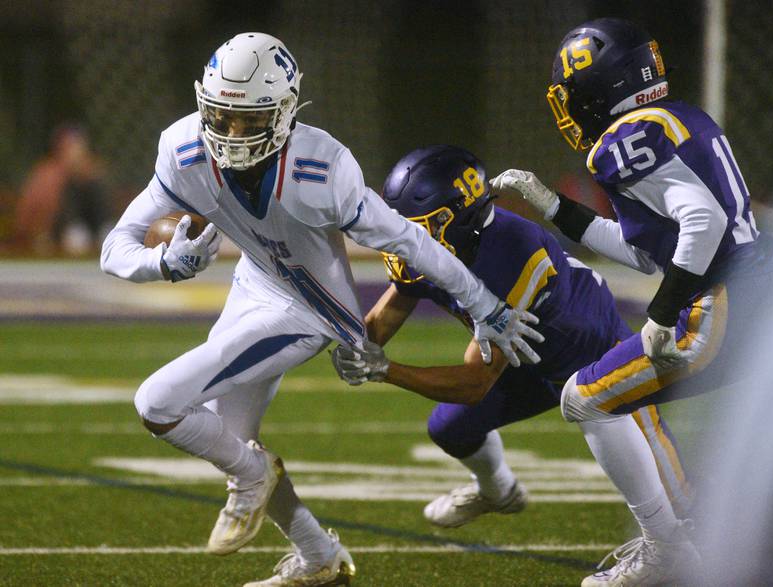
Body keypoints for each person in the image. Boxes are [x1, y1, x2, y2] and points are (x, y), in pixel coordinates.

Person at [100, 33, 537, 587]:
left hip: (308, 310)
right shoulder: (184, 148)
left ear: (283, 112)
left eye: (248, 120)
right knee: (236, 443)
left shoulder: (321, 169)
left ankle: (254, 476)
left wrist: (484, 304)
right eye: (221, 115)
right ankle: (318, 558)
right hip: (253, 285)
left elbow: (411, 242)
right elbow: (116, 249)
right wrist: (164, 264)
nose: (231, 134)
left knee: (158, 404)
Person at [490, 17, 773, 586]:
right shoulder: (676, 118)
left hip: (722, 302)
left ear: (599, 89)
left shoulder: (623, 140)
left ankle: (669, 549)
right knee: (642, 406)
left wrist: (661, 314)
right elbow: (645, 252)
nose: (569, 109)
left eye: (574, 95)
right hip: (764, 290)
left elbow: (701, 221)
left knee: (586, 399)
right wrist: (552, 205)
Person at [330, 144, 692, 530]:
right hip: (525, 358)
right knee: (451, 429)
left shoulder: (515, 254)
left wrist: (385, 369)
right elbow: (394, 306)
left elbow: (473, 383)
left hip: (594, 356)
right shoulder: (444, 244)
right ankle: (497, 490)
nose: (408, 239)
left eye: (422, 226)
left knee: (678, 500)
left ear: (461, 217)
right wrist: (352, 340)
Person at [14, 124, 110, 255]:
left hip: (91, 231)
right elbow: (25, 216)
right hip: (55, 234)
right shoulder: (46, 174)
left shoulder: (93, 173)